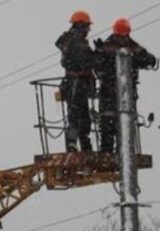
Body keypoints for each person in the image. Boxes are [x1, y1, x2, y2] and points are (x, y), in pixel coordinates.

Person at [94, 17, 158, 153]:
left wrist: (140, 58)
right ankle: (109, 152)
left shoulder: (129, 47)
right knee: (110, 125)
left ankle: (118, 152)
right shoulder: (108, 48)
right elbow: (97, 66)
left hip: (122, 94)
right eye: (120, 36)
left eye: (124, 36)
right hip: (112, 94)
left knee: (120, 126)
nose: (122, 39)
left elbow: (148, 59)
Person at [56, 10, 100, 152]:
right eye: (87, 26)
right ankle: (75, 145)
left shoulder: (70, 40)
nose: (88, 30)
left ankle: (80, 144)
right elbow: (85, 61)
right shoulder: (76, 41)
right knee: (77, 117)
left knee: (80, 117)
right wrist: (97, 55)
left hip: (74, 83)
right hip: (76, 83)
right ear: (80, 25)